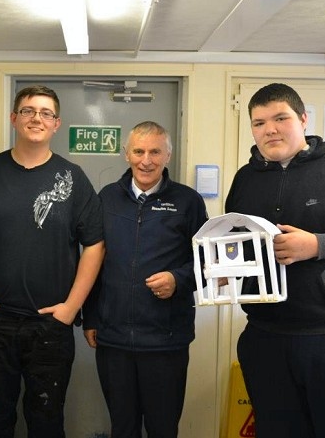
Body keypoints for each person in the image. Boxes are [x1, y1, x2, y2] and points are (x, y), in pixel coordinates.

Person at [0, 85, 105, 438]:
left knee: (47, 421)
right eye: (28, 111)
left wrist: (72, 307)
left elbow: (95, 246)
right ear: (14, 119)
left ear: (57, 124)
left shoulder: (73, 179)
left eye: (46, 113)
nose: (37, 118)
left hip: (50, 325)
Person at [225, 83, 325, 437]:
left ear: (303, 119)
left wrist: (320, 245)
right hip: (266, 336)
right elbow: (237, 243)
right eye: (259, 123)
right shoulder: (245, 180)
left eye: (280, 118)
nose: (270, 129)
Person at [82, 121, 208, 438]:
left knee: (162, 428)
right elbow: (94, 262)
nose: (146, 160)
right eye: (138, 151)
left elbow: (207, 263)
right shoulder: (106, 199)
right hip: (113, 340)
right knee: (122, 428)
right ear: (127, 154)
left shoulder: (188, 202)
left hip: (166, 340)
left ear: (168, 154)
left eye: (155, 152)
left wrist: (178, 279)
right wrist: (91, 318)